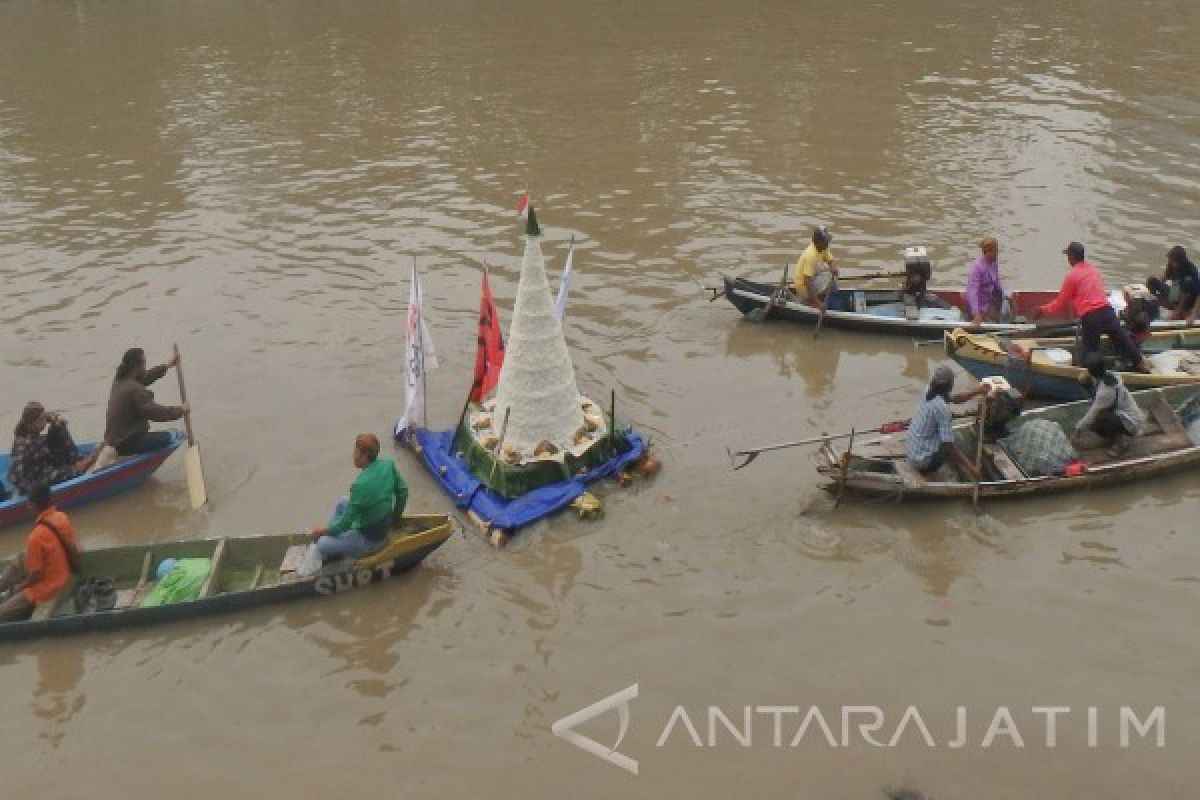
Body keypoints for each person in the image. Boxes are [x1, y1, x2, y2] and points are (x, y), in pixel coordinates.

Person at [1031, 242, 1150, 373]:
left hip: (1091, 317)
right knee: (1123, 340)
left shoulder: (1072, 276)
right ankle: (1141, 364)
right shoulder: (1094, 270)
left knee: (1091, 352)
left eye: (1068, 256)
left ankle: (1093, 379)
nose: (1068, 259)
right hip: (1107, 312)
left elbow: (1061, 303)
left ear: (1071, 257)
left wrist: (1042, 310)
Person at [308, 434, 409, 562]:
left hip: (370, 539)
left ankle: (333, 544)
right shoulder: (388, 465)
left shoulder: (360, 485)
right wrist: (396, 519)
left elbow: (345, 524)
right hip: (383, 525)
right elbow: (403, 492)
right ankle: (334, 538)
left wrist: (322, 531)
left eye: (355, 452)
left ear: (365, 455)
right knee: (343, 501)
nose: (353, 455)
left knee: (322, 544)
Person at [0, 484, 79, 623]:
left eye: (29, 503)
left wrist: (19, 588)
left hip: (48, 588)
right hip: (63, 571)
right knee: (21, 558)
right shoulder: (61, 517)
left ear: (33, 505)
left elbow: (36, 576)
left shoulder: (36, 536)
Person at [905, 365, 989, 477]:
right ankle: (955, 471)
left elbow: (955, 399)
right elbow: (948, 446)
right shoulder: (942, 408)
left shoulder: (929, 391)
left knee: (951, 437)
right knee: (956, 440)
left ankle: (957, 465)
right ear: (950, 385)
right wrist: (971, 469)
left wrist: (977, 391)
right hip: (922, 461)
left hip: (911, 450)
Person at [103, 347, 188, 456]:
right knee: (170, 437)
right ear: (136, 366)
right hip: (126, 442)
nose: (145, 365)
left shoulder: (119, 380)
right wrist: (180, 410)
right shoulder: (134, 389)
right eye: (144, 362)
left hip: (115, 439)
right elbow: (155, 412)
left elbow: (146, 377)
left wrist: (167, 365)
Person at [7, 402, 97, 496]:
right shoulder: (28, 443)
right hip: (33, 482)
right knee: (70, 469)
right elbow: (20, 475)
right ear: (31, 424)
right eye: (40, 419)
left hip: (39, 469)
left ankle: (78, 462)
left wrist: (53, 420)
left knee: (58, 428)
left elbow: (55, 422)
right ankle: (79, 465)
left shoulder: (30, 435)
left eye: (44, 418)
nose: (44, 422)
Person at [1071, 353, 1145, 458]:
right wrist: (1085, 383)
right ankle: (1115, 435)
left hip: (1131, 423)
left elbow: (1092, 413)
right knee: (1098, 419)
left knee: (1098, 418)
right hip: (1123, 415)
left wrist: (1077, 430)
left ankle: (1124, 439)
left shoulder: (1106, 391)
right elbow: (1095, 395)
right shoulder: (1111, 375)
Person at [1146, 245, 1200, 325]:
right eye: (1170, 260)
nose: (1170, 262)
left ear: (1180, 261)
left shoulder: (1191, 270)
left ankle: (1180, 311)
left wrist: (1193, 314)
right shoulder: (1171, 265)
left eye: (1173, 261)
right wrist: (1157, 290)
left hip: (1188, 298)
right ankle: (1170, 305)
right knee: (1152, 281)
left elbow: (1198, 294)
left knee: (1186, 284)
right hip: (1175, 292)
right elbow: (1164, 278)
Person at [964, 236, 1008, 325]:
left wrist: (1006, 296)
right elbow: (972, 292)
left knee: (1010, 304)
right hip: (980, 306)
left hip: (990, 300)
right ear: (987, 252)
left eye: (997, 251)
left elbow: (997, 283)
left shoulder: (993, 263)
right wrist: (976, 314)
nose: (997, 254)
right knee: (994, 321)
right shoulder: (977, 268)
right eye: (995, 251)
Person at [793, 225, 837, 311]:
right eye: (825, 241)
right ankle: (810, 301)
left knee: (829, 272)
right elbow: (807, 282)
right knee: (827, 276)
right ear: (818, 242)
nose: (827, 243)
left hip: (812, 277)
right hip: (803, 287)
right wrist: (818, 304)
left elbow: (829, 259)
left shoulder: (822, 247)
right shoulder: (811, 255)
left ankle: (820, 296)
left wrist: (833, 267)